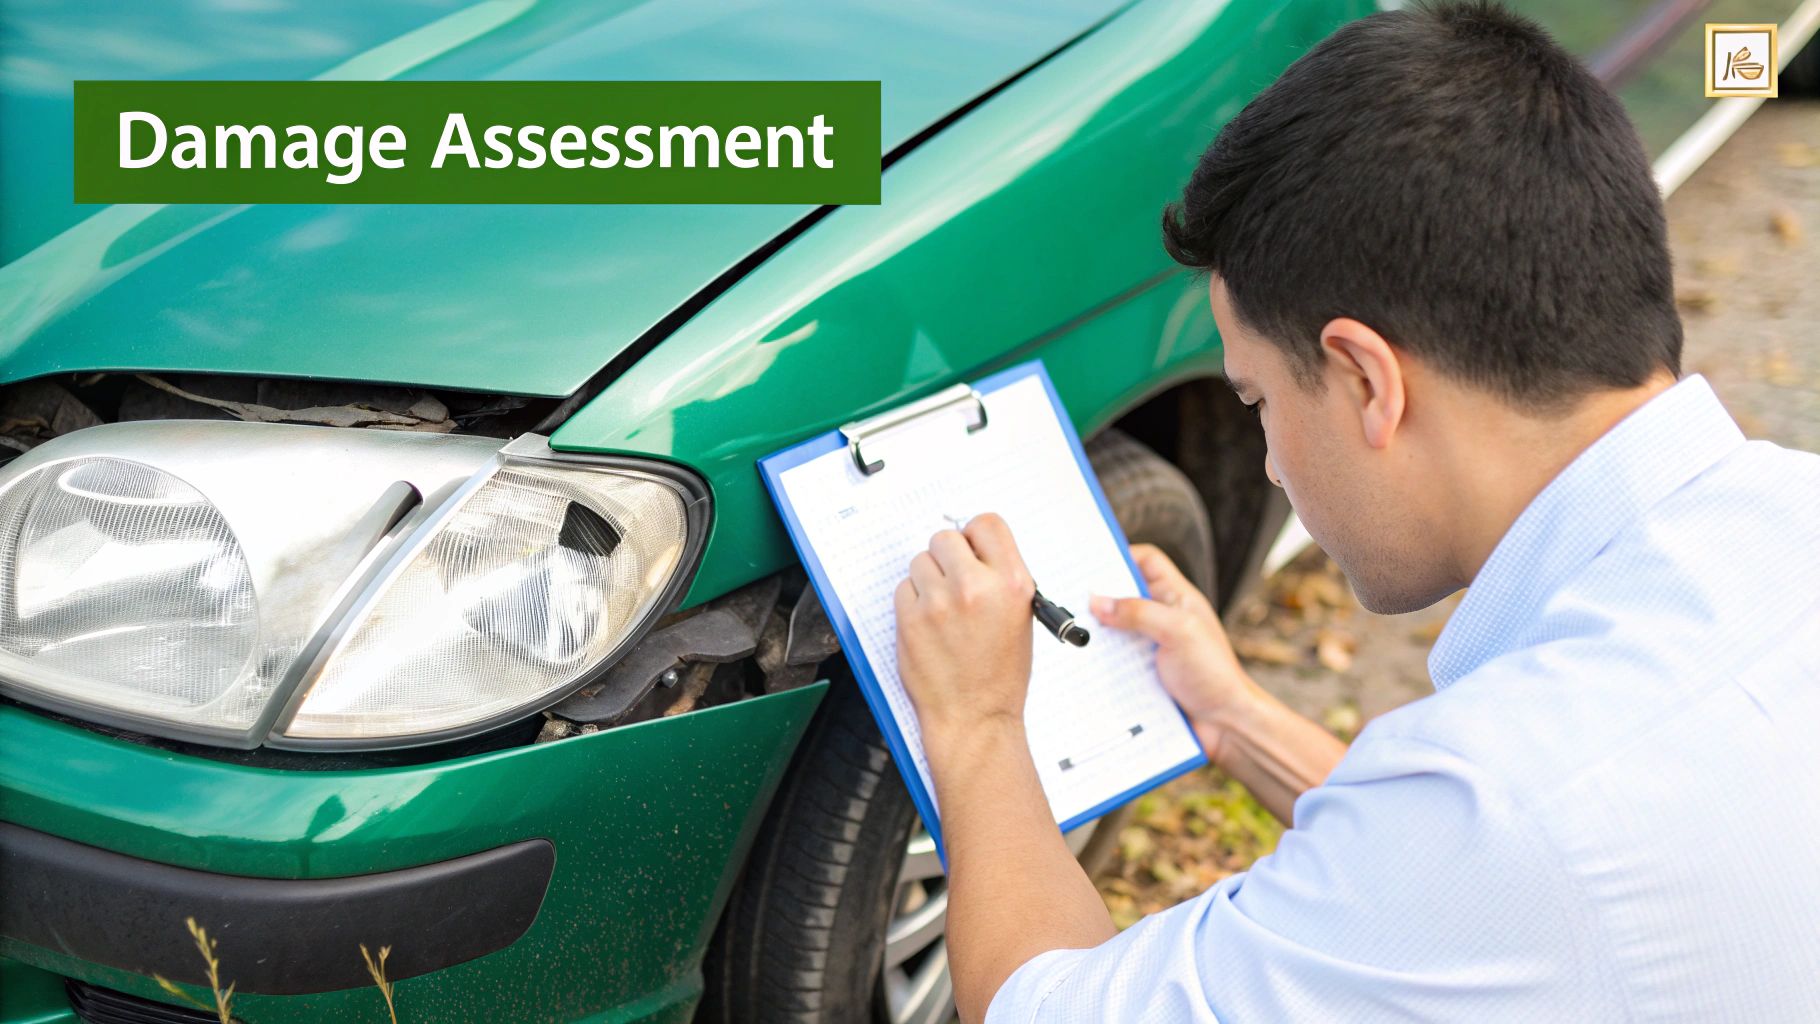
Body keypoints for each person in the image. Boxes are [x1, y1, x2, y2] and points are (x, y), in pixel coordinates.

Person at [891, 2, 1820, 1021]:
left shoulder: (1494, 813)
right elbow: (1475, 890)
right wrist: (1235, 716)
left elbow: (1047, 1010)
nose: (1273, 467)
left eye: (1257, 401)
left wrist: (975, 720)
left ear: (1366, 381)